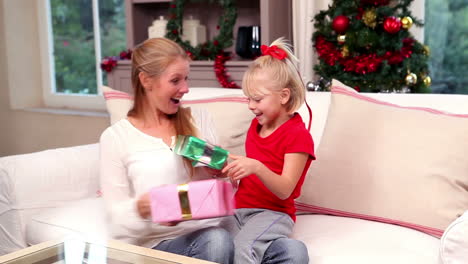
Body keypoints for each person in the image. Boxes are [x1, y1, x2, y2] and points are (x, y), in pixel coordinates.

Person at [99, 37, 234, 264]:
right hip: (157, 247)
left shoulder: (198, 119)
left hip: (210, 236)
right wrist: (142, 207)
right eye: (175, 80)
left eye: (186, 78)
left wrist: (221, 171)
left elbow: (223, 191)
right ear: (146, 80)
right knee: (217, 241)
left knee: (222, 239)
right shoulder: (116, 138)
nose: (186, 88)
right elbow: (116, 221)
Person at [221, 38, 315, 264]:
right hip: (239, 209)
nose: (251, 106)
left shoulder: (298, 136)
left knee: (244, 246)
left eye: (257, 99)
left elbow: (285, 189)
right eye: (248, 99)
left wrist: (256, 167)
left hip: (273, 214)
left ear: (284, 96)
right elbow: (250, 173)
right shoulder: (256, 126)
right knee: (215, 241)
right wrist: (229, 165)